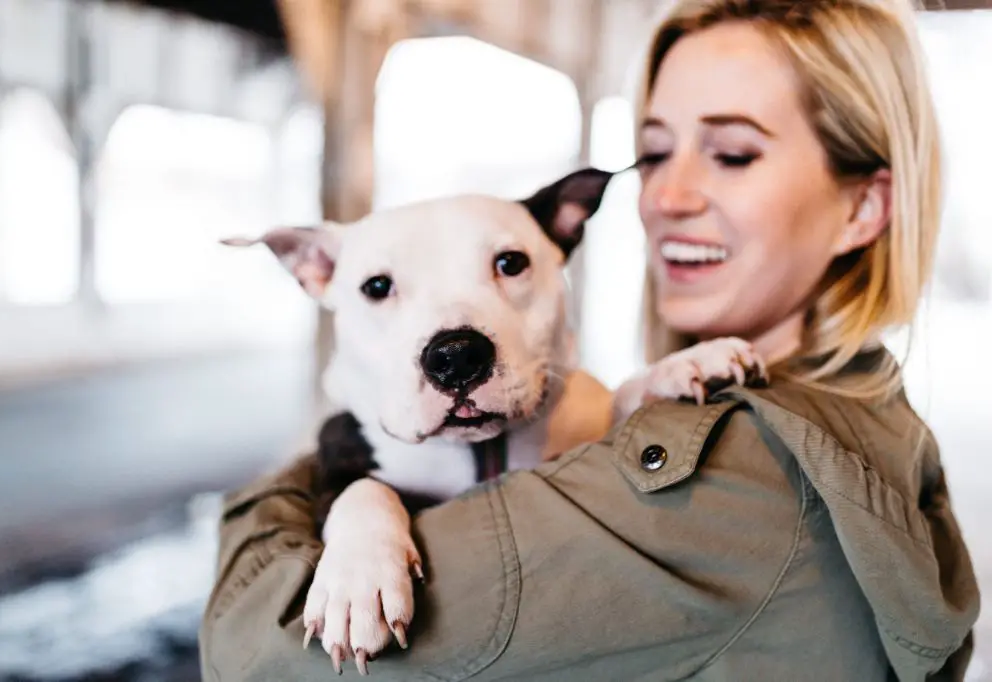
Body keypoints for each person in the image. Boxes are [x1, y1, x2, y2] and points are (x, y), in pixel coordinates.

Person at [198, 0, 980, 679]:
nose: (666, 197)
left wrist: (306, 487)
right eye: (657, 150)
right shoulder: (847, 410)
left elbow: (254, 650)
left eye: (734, 153)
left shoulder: (746, 479)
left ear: (863, 208)